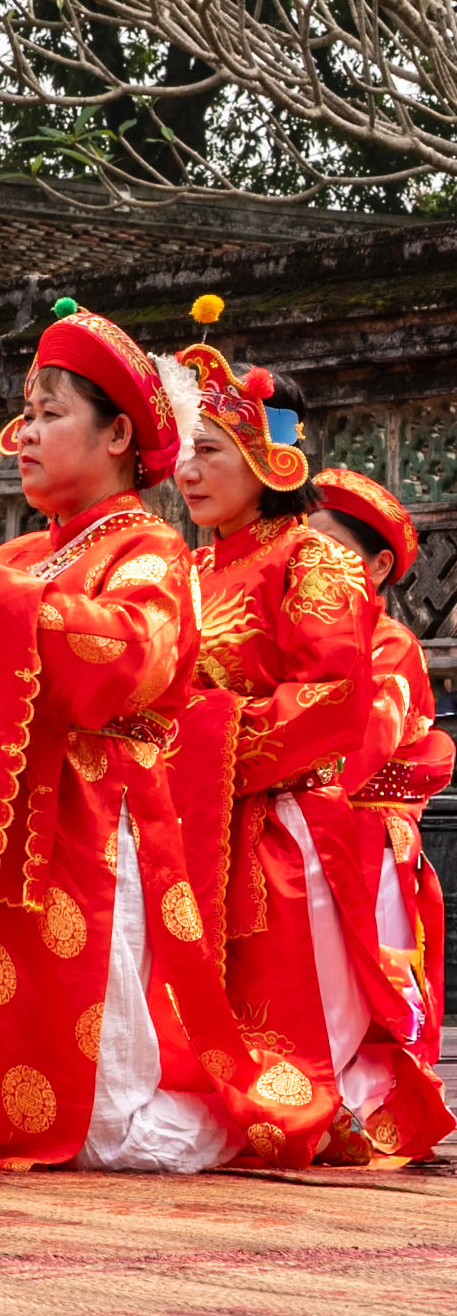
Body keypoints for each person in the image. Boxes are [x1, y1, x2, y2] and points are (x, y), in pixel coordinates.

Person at [0, 300, 307, 1170]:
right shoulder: (17, 561)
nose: (23, 433)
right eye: (25, 412)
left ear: (118, 434)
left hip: (90, 825)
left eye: (51, 413)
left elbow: (125, 662)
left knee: (107, 1125)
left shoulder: (149, 549)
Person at [175, 308, 452, 1162]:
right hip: (187, 815)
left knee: (282, 1026)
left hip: (282, 823)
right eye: (184, 450)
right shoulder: (184, 569)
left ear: (267, 457)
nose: (188, 470)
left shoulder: (310, 559)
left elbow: (330, 698)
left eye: (210, 451)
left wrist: (209, 746)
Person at [310, 468, 451, 1071]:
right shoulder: (305, 637)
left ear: (376, 566)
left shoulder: (390, 646)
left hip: (364, 840)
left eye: (325, 549)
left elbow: (355, 753)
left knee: (368, 985)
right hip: (314, 833)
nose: (308, 564)